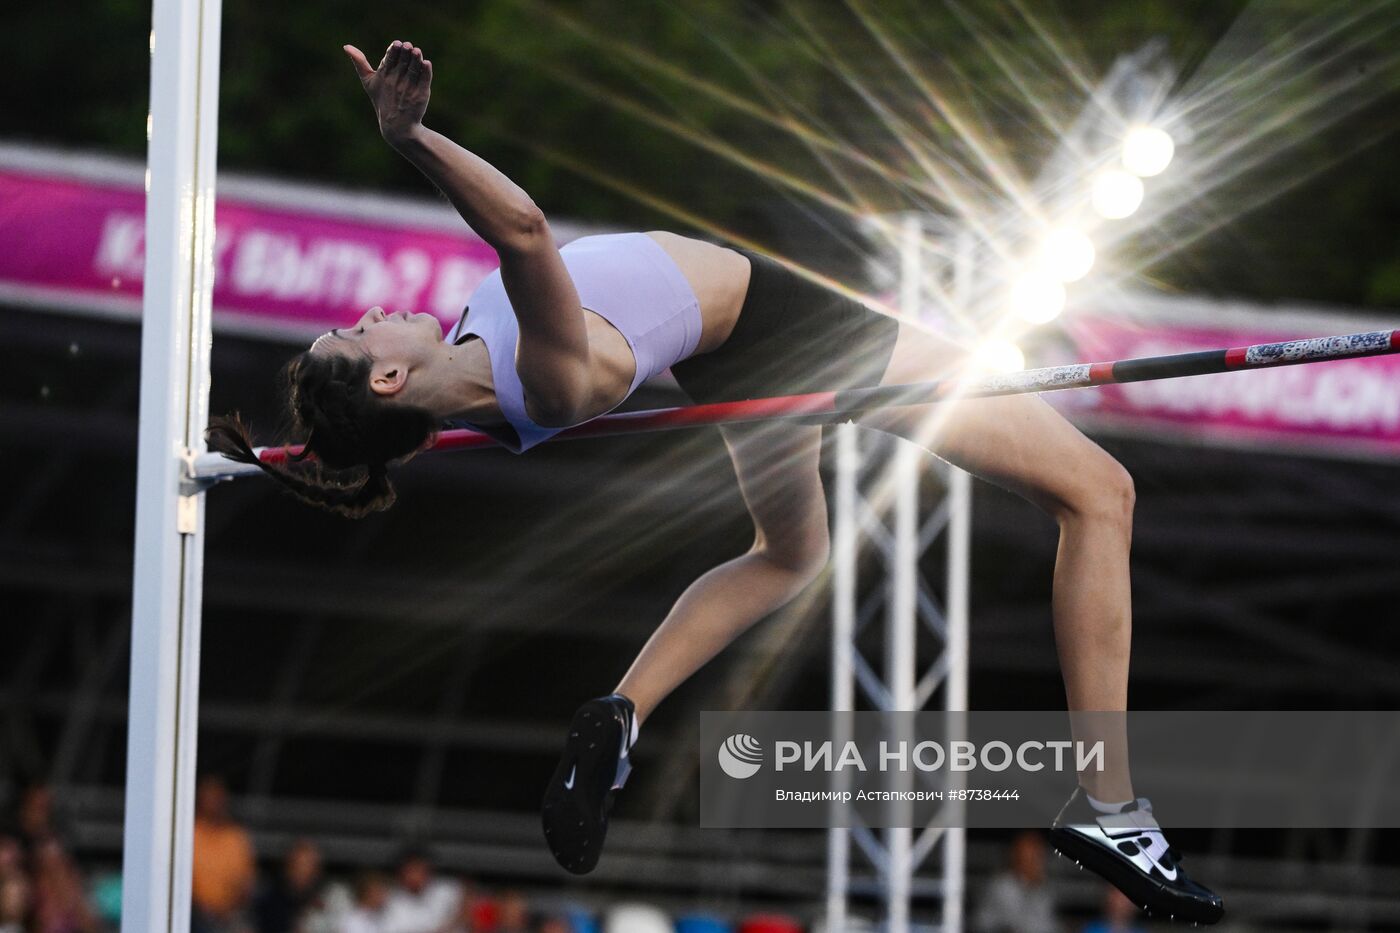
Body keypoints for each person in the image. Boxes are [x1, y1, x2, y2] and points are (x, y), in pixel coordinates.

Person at [206, 38, 1221, 925]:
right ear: (389, 377)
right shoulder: (540, 382)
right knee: (1097, 492)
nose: (372, 312)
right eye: (357, 332)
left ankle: (621, 715)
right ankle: (1110, 806)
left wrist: (326, 441)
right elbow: (520, 227)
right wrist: (410, 141)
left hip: (740, 361)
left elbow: (514, 277)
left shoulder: (478, 362)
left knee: (788, 553)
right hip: (791, 330)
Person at [191, 775, 257, 933]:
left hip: (230, 915)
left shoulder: (236, 837)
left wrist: (229, 909)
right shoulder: (189, 833)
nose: (214, 803)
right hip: (194, 913)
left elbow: (247, 883)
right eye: (209, 798)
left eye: (218, 798)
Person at [972, 832, 1057, 933]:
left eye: (1039, 854)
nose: (1037, 860)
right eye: (1030, 855)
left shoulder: (1044, 891)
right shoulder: (1002, 887)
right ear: (1016, 855)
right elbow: (983, 924)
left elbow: (1048, 925)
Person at [379, 844, 460, 933]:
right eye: (410, 871)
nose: (415, 876)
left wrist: (453, 922)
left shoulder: (446, 889)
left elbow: (469, 902)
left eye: (419, 869)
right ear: (401, 874)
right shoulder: (391, 902)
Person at [254, 839, 324, 933]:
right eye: (297, 865)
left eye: (307, 866)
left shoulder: (323, 904)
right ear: (287, 866)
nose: (301, 872)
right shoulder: (269, 903)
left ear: (316, 871)